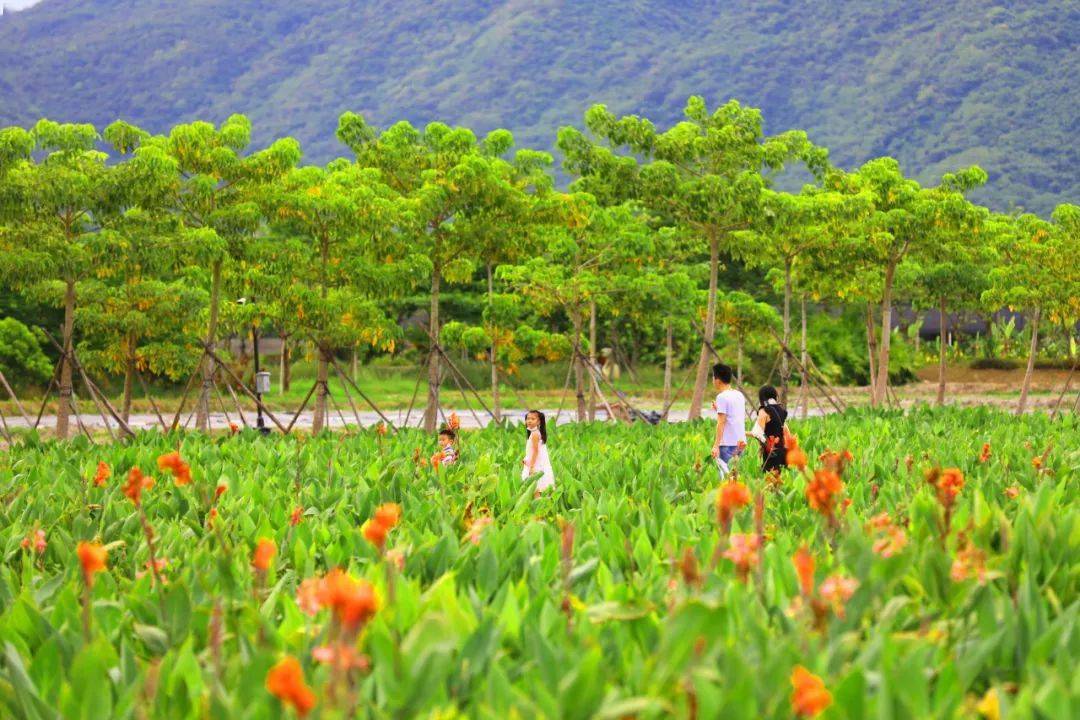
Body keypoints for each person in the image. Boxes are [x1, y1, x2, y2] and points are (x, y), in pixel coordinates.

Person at [711, 363, 746, 478]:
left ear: (718, 380)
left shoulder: (721, 397)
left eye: (713, 377)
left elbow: (721, 422)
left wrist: (716, 445)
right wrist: (718, 409)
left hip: (727, 444)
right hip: (740, 443)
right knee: (735, 477)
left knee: (726, 479)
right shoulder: (739, 395)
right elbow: (733, 416)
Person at [749, 385, 788, 475]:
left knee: (769, 481)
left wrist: (741, 433)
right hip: (783, 452)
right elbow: (785, 430)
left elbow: (757, 433)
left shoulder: (764, 411)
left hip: (771, 453)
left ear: (762, 397)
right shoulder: (782, 410)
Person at [521, 409, 555, 495]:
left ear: (539, 422)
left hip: (536, 465)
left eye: (533, 419)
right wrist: (526, 459)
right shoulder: (534, 433)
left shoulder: (535, 434)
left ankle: (539, 505)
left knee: (535, 488)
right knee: (536, 488)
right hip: (535, 462)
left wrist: (531, 466)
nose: (529, 421)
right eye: (528, 418)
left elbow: (535, 451)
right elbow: (532, 451)